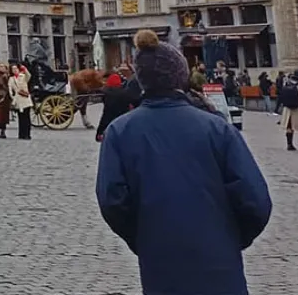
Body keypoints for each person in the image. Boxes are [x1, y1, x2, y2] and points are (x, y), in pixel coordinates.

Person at [96, 29, 272, 295]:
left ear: (141, 80)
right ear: (181, 76)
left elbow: (112, 201)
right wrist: (231, 238)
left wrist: (144, 238)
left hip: (160, 261)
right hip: (220, 261)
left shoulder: (120, 132)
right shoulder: (217, 128)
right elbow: (255, 200)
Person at [10, 63, 34, 141]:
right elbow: (10, 90)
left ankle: (27, 134)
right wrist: (13, 98)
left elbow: (29, 76)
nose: (15, 70)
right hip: (18, 100)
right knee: (21, 117)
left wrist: (25, 69)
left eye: (16, 68)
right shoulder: (11, 79)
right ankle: (21, 133)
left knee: (26, 117)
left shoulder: (23, 76)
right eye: (13, 69)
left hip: (25, 98)